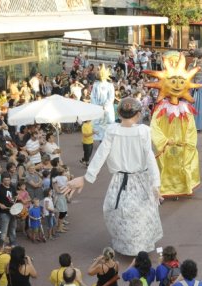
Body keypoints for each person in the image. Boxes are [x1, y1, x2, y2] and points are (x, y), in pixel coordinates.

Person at [63, 97, 163, 256]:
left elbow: (101, 154)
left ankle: (128, 246)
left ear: (119, 114)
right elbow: (149, 157)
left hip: (118, 181)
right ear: (138, 114)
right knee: (142, 213)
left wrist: (86, 177)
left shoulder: (112, 130)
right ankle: (139, 248)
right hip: (141, 180)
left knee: (118, 211)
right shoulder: (143, 131)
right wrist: (156, 183)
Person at [147, 52, 201, 198]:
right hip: (166, 146)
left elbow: (191, 128)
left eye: (181, 81)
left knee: (181, 166)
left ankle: (180, 189)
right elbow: (154, 126)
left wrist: (189, 143)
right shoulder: (161, 108)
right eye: (172, 81)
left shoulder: (185, 109)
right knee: (165, 167)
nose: (177, 85)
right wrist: (163, 141)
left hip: (182, 146)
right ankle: (165, 189)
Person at [90, 65, 115, 141]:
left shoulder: (110, 85)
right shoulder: (95, 85)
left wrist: (105, 105)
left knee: (107, 124)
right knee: (98, 124)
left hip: (107, 109)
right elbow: (92, 96)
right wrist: (97, 105)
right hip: (98, 107)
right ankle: (100, 139)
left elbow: (111, 97)